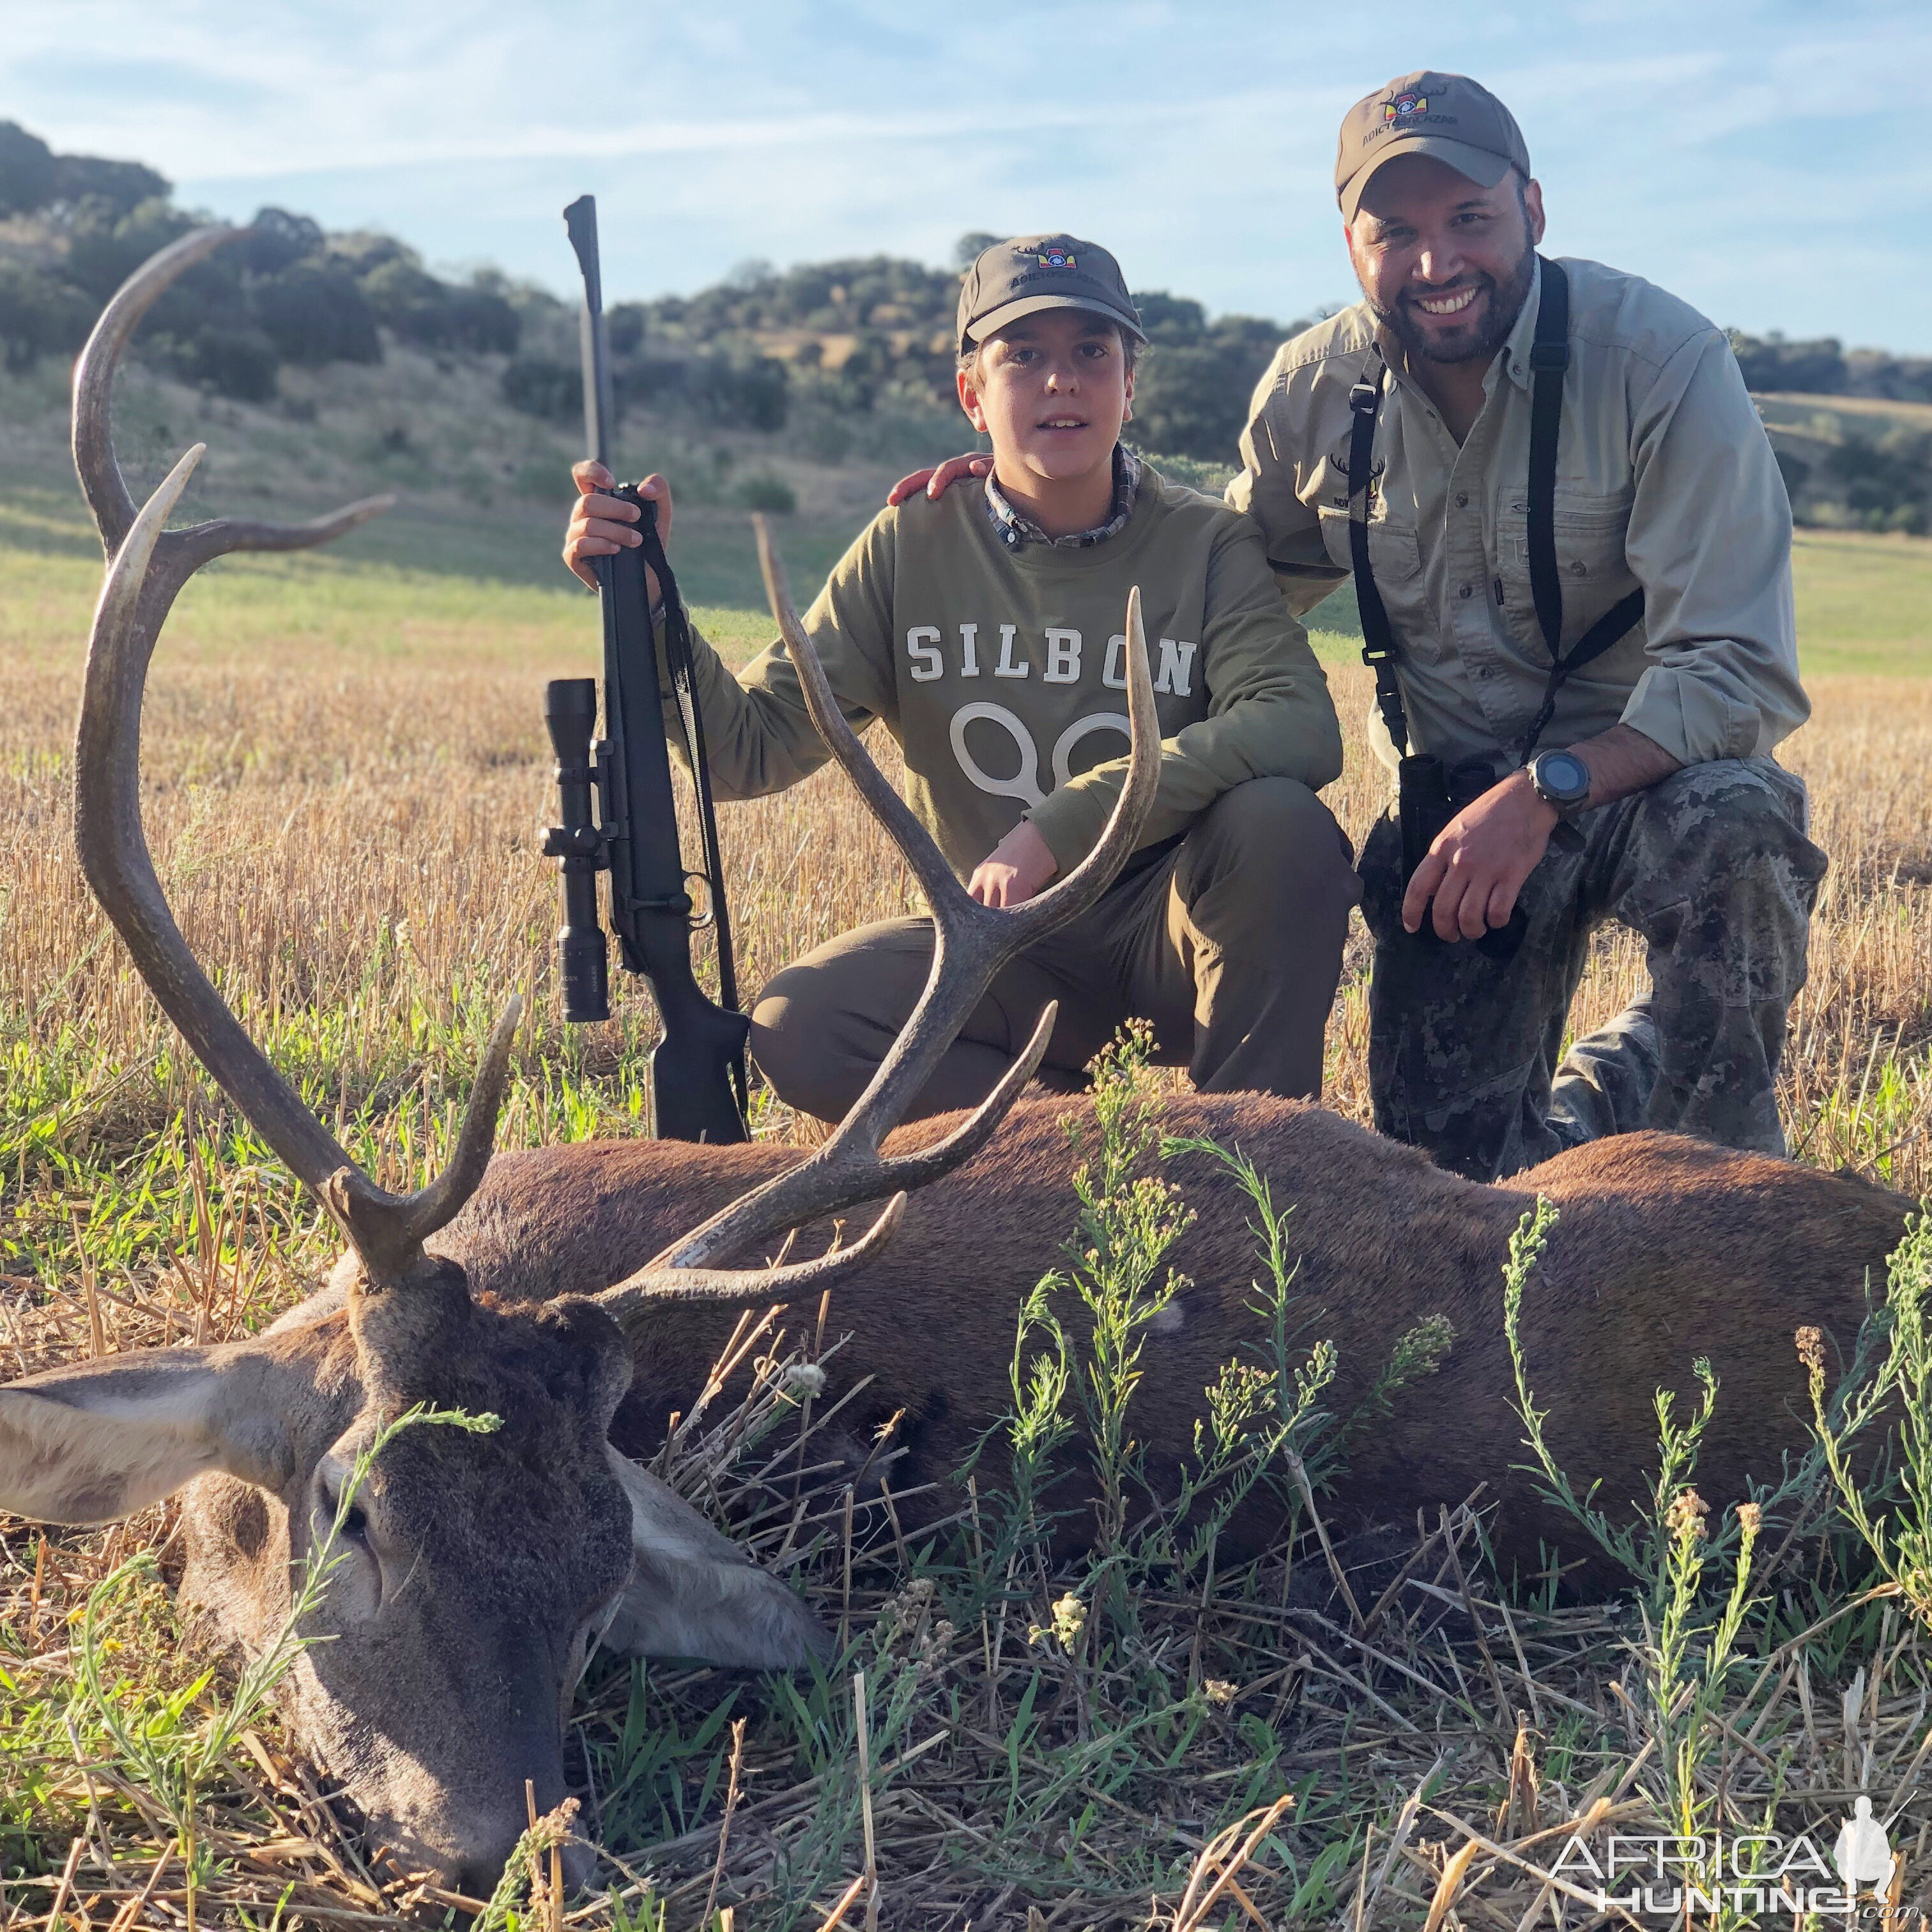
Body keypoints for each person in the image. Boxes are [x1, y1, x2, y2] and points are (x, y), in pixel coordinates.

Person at [895, 79, 1823, 1183]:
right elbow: (1218, 581)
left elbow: (1738, 670)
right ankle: (1614, 1084)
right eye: (1398, 234)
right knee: (1457, 1182)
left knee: (1740, 827)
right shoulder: (1315, 390)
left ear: (1533, 208)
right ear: (1352, 246)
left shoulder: (1663, 365)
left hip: (1636, 781)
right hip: (1449, 808)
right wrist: (1035, 493)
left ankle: (1730, 1196)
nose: (1436, 264)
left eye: (1469, 220)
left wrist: (1545, 793)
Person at [564, 234, 1356, 1125]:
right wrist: (650, 602)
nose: (1062, 381)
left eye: (1091, 353)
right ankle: (1087, 1154)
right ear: (971, 395)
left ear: (1130, 384)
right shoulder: (911, 544)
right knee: (802, 1029)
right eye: (1024, 356)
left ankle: (1255, 1177)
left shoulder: (1207, 543)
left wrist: (1058, 827)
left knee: (1282, 827)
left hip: (1173, 941)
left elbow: (1297, 723)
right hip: (998, 956)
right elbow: (749, 751)